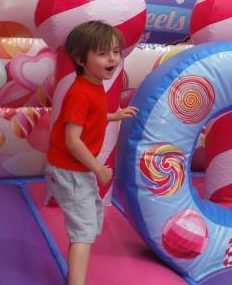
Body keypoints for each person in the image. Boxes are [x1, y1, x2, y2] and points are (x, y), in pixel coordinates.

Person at [46, 21, 138, 285]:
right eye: (102, 53)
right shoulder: (80, 93)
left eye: (116, 51)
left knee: (86, 225)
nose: (112, 58)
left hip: (77, 169)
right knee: (84, 232)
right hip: (70, 169)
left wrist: (114, 115)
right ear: (80, 59)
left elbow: (91, 118)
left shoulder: (95, 83)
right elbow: (72, 140)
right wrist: (99, 169)